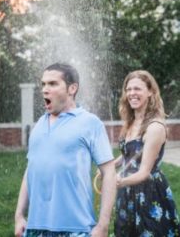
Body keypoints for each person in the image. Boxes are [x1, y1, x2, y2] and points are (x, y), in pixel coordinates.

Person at [15, 63, 116, 237]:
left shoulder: (90, 123)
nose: (45, 90)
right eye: (43, 84)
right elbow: (30, 170)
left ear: (72, 88)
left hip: (76, 228)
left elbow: (109, 172)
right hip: (35, 227)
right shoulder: (39, 124)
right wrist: (19, 216)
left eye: (53, 84)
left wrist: (103, 225)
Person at [114, 70, 180, 237]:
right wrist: (108, 167)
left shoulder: (154, 127)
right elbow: (129, 155)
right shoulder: (131, 122)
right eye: (128, 89)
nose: (131, 94)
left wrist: (117, 182)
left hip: (148, 193)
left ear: (150, 92)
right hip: (128, 190)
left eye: (137, 89)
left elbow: (143, 172)